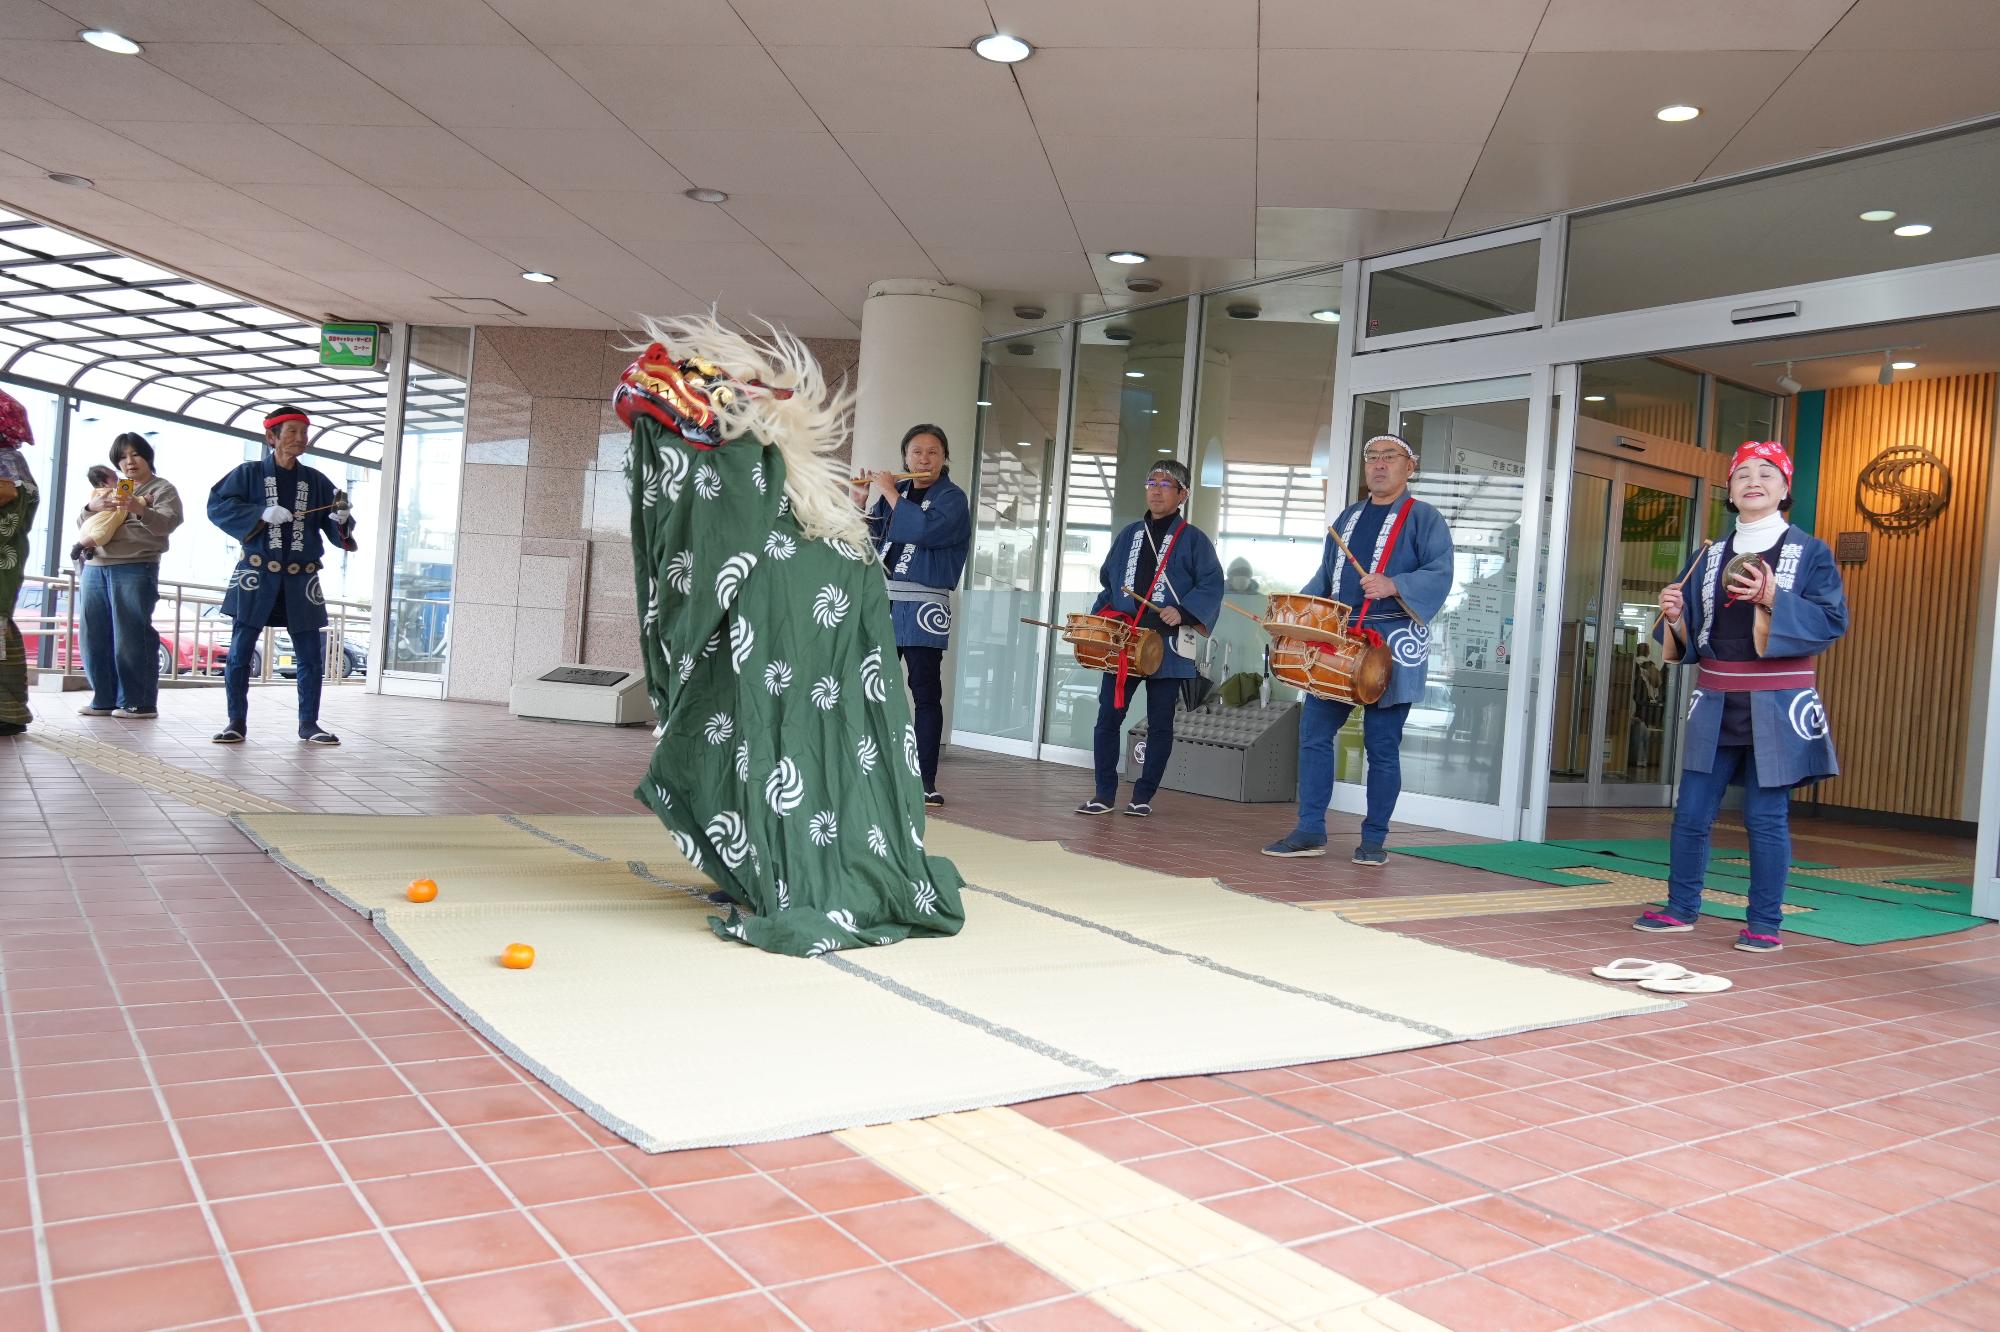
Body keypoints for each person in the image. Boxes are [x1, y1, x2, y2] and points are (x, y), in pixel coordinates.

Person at [619, 315, 965, 956]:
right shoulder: (773, 481)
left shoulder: (754, 479)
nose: (919, 460)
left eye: (928, 453)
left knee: (776, 733)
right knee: (777, 735)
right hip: (806, 618)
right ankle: (772, 857)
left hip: (824, 616)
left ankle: (789, 864)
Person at [1638, 440, 1847, 952]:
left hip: (1777, 702)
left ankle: (1764, 922)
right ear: (1730, 491)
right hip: (1716, 697)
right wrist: (1672, 615)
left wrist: (1775, 597)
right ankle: (1681, 908)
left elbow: (1832, 622)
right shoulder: (1707, 553)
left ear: (1784, 488)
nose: (1754, 482)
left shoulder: (1811, 551)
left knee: (1765, 816)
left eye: (1767, 474)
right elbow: (1689, 635)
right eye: (1742, 475)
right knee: (1691, 812)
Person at [1263, 434, 1454, 864]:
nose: (1379, 465)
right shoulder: (1347, 518)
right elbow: (1324, 581)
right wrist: (1293, 617)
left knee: (1381, 744)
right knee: (1314, 735)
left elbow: (1440, 573)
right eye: (1372, 457)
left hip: (1389, 644)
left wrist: (1395, 584)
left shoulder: (1425, 519)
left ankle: (1374, 840)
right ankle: (1310, 829)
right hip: (1337, 642)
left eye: (1390, 457)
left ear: (1410, 466)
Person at [1075, 459, 1223, 818]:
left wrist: (1184, 612)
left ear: (1183, 494)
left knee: (1160, 723)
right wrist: (1095, 627)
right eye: (1151, 481)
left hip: (1166, 643)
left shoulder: (1194, 540)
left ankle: (1142, 795)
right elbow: (1110, 586)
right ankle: (1104, 793)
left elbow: (1212, 583)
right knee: (1108, 716)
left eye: (1166, 484)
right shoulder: (1129, 534)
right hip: (1126, 639)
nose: (1156, 489)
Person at [207, 407, 357, 746]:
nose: (300, 439)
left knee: (309, 653)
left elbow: (339, 526)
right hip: (257, 572)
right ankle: (235, 722)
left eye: (304, 432)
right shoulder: (248, 474)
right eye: (291, 432)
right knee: (240, 651)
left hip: (301, 578)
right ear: (271, 437)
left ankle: (309, 723)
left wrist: (341, 519)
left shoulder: (316, 481)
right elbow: (217, 506)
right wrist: (260, 512)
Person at [862, 423, 970, 807]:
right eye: (916, 452)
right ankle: (871, 773)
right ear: (905, 456)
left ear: (944, 459)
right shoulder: (901, 493)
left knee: (924, 692)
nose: (924, 459)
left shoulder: (953, 498)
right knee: (872, 690)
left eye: (933, 453)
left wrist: (889, 491)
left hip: (924, 605)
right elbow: (869, 541)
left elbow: (924, 531)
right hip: (885, 603)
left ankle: (925, 780)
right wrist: (861, 501)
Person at [76, 433, 183, 720]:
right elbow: (85, 524)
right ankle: (104, 698)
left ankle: (139, 701)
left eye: (135, 454)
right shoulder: (114, 487)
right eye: (122, 457)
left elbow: (167, 523)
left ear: (148, 456)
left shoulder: (161, 488)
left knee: (131, 634)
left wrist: (139, 509)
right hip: (96, 566)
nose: (129, 461)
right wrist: (90, 509)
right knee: (92, 633)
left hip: (136, 565)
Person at [0, 388, 39, 737]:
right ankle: (9, 710)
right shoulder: (12, 459)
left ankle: (8, 712)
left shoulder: (5, 460)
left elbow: (7, 493)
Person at [71, 465, 121, 563]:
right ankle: (81, 546)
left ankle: (88, 549)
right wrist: (144, 499)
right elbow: (80, 521)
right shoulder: (112, 493)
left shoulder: (95, 494)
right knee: (100, 534)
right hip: (100, 526)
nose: (119, 481)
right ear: (103, 484)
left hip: (111, 557)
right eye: (116, 479)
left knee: (91, 533)